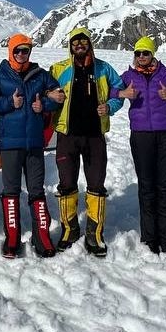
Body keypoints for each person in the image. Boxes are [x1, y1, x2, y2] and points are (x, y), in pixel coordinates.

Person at [113, 36, 166, 260]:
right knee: (146, 186)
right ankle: (149, 239)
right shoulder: (128, 77)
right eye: (138, 53)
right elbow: (105, 90)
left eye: (146, 53)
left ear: (153, 54)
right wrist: (122, 93)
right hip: (141, 136)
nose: (141, 57)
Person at [0, 34, 64, 259]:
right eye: (17, 50)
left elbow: (59, 96)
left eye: (25, 50)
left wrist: (44, 105)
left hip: (34, 142)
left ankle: (42, 237)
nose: (21, 54)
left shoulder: (40, 75)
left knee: (37, 190)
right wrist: (8, 102)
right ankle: (12, 237)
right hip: (10, 143)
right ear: (10, 51)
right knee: (11, 190)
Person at [50, 26, 126, 257]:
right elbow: (44, 90)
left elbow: (119, 90)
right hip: (67, 135)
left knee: (96, 184)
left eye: (83, 41)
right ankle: (69, 230)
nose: (79, 45)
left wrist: (110, 106)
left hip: (95, 136)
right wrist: (50, 96)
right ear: (70, 45)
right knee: (66, 183)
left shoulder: (103, 68)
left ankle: (94, 234)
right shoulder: (59, 68)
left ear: (89, 43)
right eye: (75, 42)